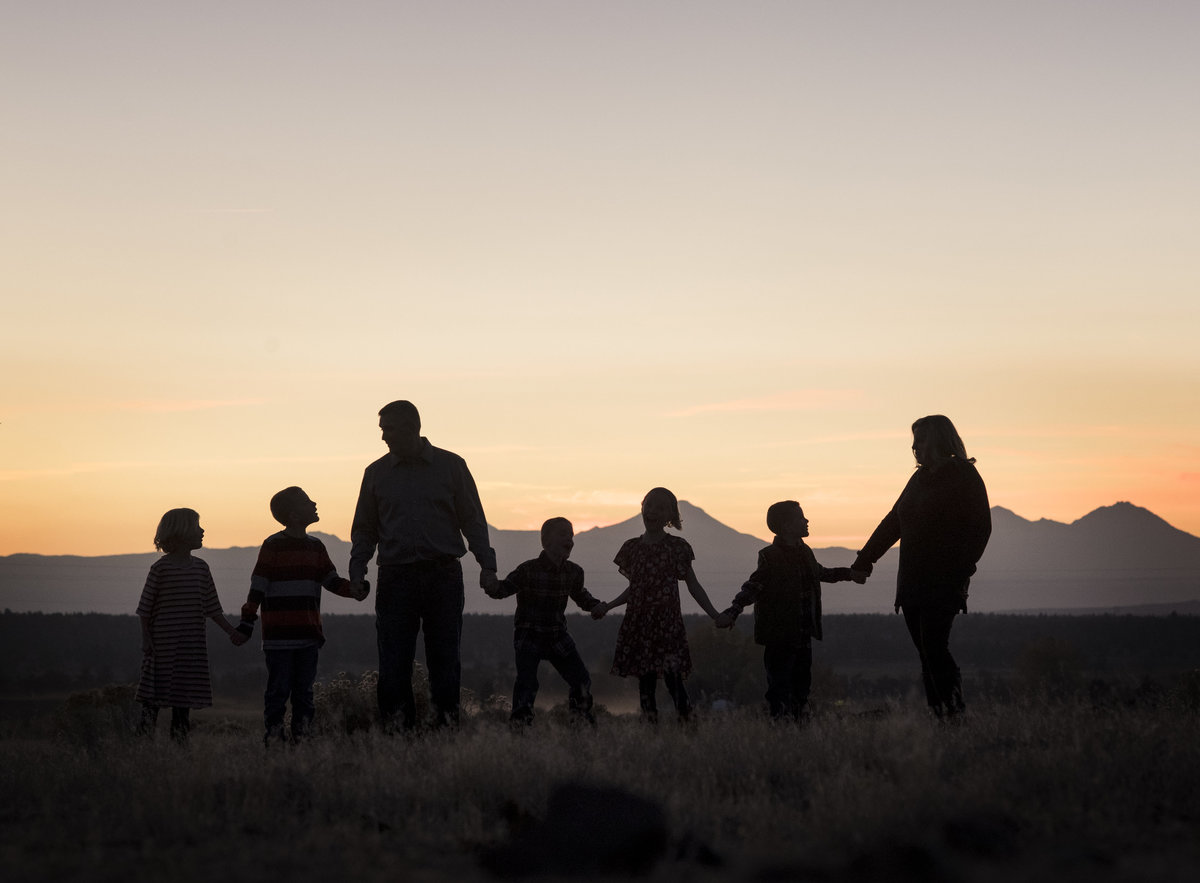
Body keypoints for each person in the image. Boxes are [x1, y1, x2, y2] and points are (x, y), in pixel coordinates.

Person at [349, 400, 498, 731]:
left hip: (442, 576)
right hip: (395, 577)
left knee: (445, 663)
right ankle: (397, 739)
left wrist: (487, 566)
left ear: (410, 427)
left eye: (387, 429)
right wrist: (357, 572)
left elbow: (473, 521)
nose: (383, 437)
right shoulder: (375, 474)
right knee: (392, 665)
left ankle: (443, 736)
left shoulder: (451, 467)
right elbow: (364, 530)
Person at [851, 415, 991, 718]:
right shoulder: (918, 479)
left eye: (922, 440)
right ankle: (943, 714)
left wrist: (961, 568)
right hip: (912, 583)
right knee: (927, 653)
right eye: (914, 442)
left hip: (944, 582)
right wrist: (865, 559)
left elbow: (981, 528)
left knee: (934, 648)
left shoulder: (964, 476)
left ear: (940, 441)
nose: (915, 447)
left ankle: (953, 712)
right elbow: (894, 521)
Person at [236, 487, 367, 745]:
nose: (315, 503)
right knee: (278, 692)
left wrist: (354, 590)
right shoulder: (272, 545)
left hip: (308, 636)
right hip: (279, 639)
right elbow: (258, 586)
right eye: (308, 502)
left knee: (304, 694)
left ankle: (302, 741)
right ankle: (274, 740)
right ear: (295, 515)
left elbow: (330, 581)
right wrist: (246, 622)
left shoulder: (316, 547)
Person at [715, 501, 865, 721]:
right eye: (800, 517)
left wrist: (849, 573)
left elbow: (820, 573)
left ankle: (795, 727)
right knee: (780, 687)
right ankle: (783, 727)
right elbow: (753, 587)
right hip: (779, 637)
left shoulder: (805, 553)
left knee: (801, 687)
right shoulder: (770, 557)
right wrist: (733, 611)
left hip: (802, 635)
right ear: (786, 526)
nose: (806, 521)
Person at [592, 488, 721, 722]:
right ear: (642, 507)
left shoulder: (676, 547)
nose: (653, 511)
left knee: (673, 680)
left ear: (670, 516)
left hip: (666, 625)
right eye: (649, 505)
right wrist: (608, 606)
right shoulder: (631, 548)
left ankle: (687, 726)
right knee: (646, 684)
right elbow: (636, 588)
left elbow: (693, 585)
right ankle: (651, 732)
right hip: (639, 624)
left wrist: (715, 614)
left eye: (660, 507)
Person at [135, 508, 244, 742]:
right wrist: (146, 639)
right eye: (197, 526)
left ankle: (180, 748)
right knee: (152, 700)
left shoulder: (201, 568)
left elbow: (212, 608)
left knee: (182, 702)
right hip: (162, 647)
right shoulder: (161, 569)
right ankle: (142, 747)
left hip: (190, 648)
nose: (202, 531)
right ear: (181, 531)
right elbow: (145, 609)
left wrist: (231, 632)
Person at [486, 517, 602, 726]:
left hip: (557, 635)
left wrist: (595, 606)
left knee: (581, 679)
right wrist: (491, 585)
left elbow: (581, 595)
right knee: (527, 684)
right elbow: (503, 590)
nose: (569, 539)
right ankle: (519, 726)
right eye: (563, 534)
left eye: (571, 535)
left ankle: (581, 722)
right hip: (529, 636)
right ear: (546, 541)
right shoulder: (527, 570)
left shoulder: (574, 572)